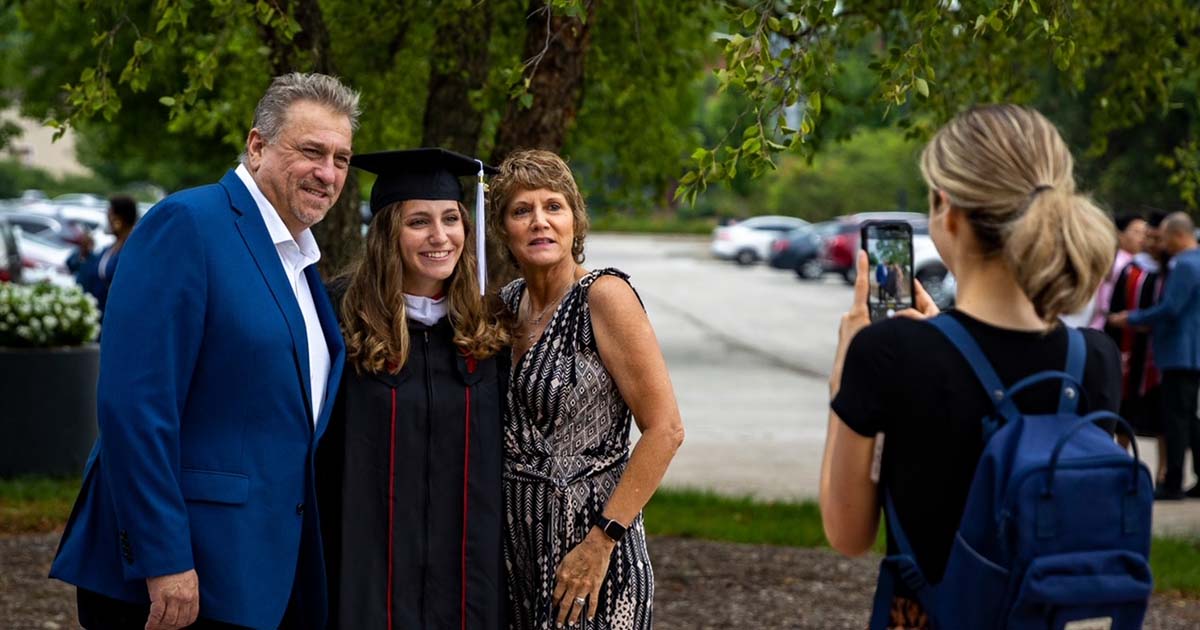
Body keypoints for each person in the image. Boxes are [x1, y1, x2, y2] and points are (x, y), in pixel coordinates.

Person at [49, 72, 359, 630]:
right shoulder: (188, 225)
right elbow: (135, 407)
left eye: (341, 159)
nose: (328, 173)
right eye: (312, 151)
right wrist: (163, 557)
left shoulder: (298, 261)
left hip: (257, 575)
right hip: (179, 579)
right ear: (257, 146)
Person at [820, 105, 1121, 628]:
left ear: (947, 208)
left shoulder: (887, 352)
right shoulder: (1096, 357)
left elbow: (847, 533)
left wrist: (845, 376)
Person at [487, 149, 684, 629]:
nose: (540, 221)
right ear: (503, 230)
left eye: (553, 206)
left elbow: (665, 430)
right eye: (522, 210)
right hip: (517, 553)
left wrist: (601, 542)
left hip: (593, 553)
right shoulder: (505, 305)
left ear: (574, 221)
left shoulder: (603, 296)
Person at [316, 148, 509, 629]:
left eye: (451, 219)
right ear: (388, 233)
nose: (440, 236)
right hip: (365, 574)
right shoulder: (337, 318)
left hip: (467, 579)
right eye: (418, 221)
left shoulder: (487, 328)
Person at [1111, 211, 1200, 500]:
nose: (1161, 244)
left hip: (1179, 353)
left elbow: (1171, 308)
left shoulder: (1185, 265)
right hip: (1190, 353)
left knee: (1176, 420)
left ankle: (1172, 481)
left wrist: (1132, 318)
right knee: (1188, 418)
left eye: (1164, 237)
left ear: (1178, 236)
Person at [1106, 210, 1168, 480]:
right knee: (1125, 408)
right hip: (1131, 350)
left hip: (1158, 355)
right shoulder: (1130, 269)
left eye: (1152, 236)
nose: (1147, 241)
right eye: (1144, 236)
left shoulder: (1170, 270)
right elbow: (1114, 309)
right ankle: (1120, 463)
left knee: (1161, 415)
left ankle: (1164, 471)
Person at [73, 195, 139, 314]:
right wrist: (85, 254)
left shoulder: (133, 249)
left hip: (117, 313)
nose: (107, 222)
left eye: (109, 216)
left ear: (118, 220)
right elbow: (90, 276)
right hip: (100, 312)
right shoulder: (109, 249)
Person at [1089, 212, 1147, 329]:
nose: (1142, 238)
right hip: (1104, 322)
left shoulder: (1142, 263)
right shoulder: (1114, 262)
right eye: (1136, 232)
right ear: (1120, 234)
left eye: (1145, 233)